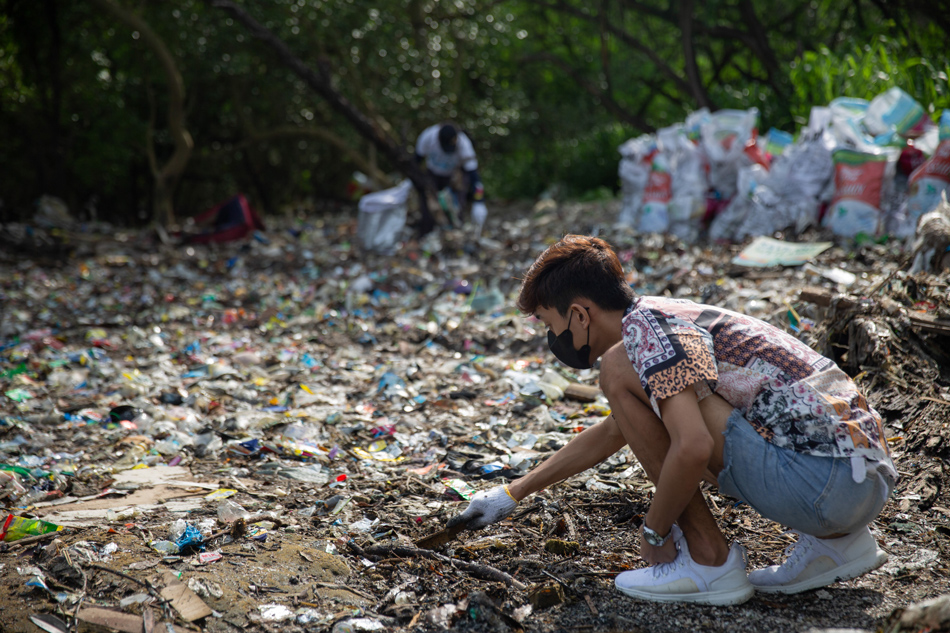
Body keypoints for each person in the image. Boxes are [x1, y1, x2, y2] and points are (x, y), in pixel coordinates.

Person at [447, 235, 896, 606]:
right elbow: (618, 430)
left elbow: (694, 445)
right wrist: (510, 494)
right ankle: (839, 544)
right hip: (864, 482)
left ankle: (709, 563)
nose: (553, 339)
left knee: (619, 372)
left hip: (821, 485)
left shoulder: (643, 335)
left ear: (580, 314)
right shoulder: (665, 316)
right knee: (643, 392)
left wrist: (655, 529)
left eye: (550, 323)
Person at [413, 122, 486, 235]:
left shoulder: (464, 144)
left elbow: (475, 178)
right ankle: (426, 235)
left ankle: (456, 235)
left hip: (454, 175)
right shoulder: (428, 137)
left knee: (456, 208)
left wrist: (479, 201)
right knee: (429, 207)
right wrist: (409, 181)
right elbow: (416, 161)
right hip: (433, 173)